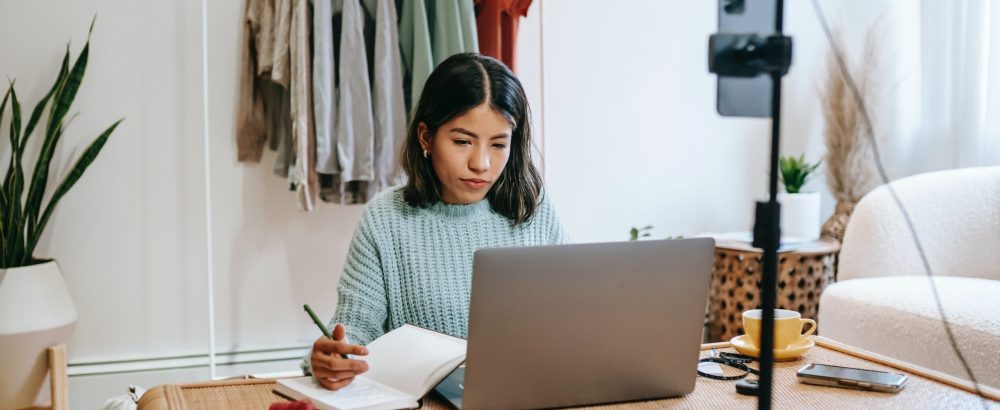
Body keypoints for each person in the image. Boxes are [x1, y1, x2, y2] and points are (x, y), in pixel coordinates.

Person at [304, 53, 568, 391]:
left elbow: (570, 321)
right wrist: (331, 359)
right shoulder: (385, 219)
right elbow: (353, 333)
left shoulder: (533, 209)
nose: (481, 163)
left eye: (499, 144)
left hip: (533, 394)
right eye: (462, 141)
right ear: (426, 138)